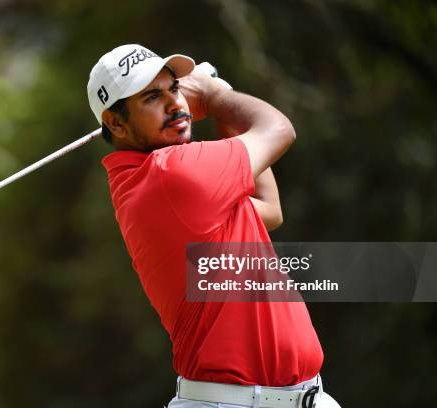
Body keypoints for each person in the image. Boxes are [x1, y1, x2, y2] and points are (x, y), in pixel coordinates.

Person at [87, 44, 341, 408]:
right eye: (152, 97)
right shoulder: (171, 174)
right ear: (116, 123)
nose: (175, 104)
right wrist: (215, 94)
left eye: (174, 88)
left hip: (299, 398)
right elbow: (279, 129)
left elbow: (269, 209)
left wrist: (219, 105)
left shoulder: (148, 182)